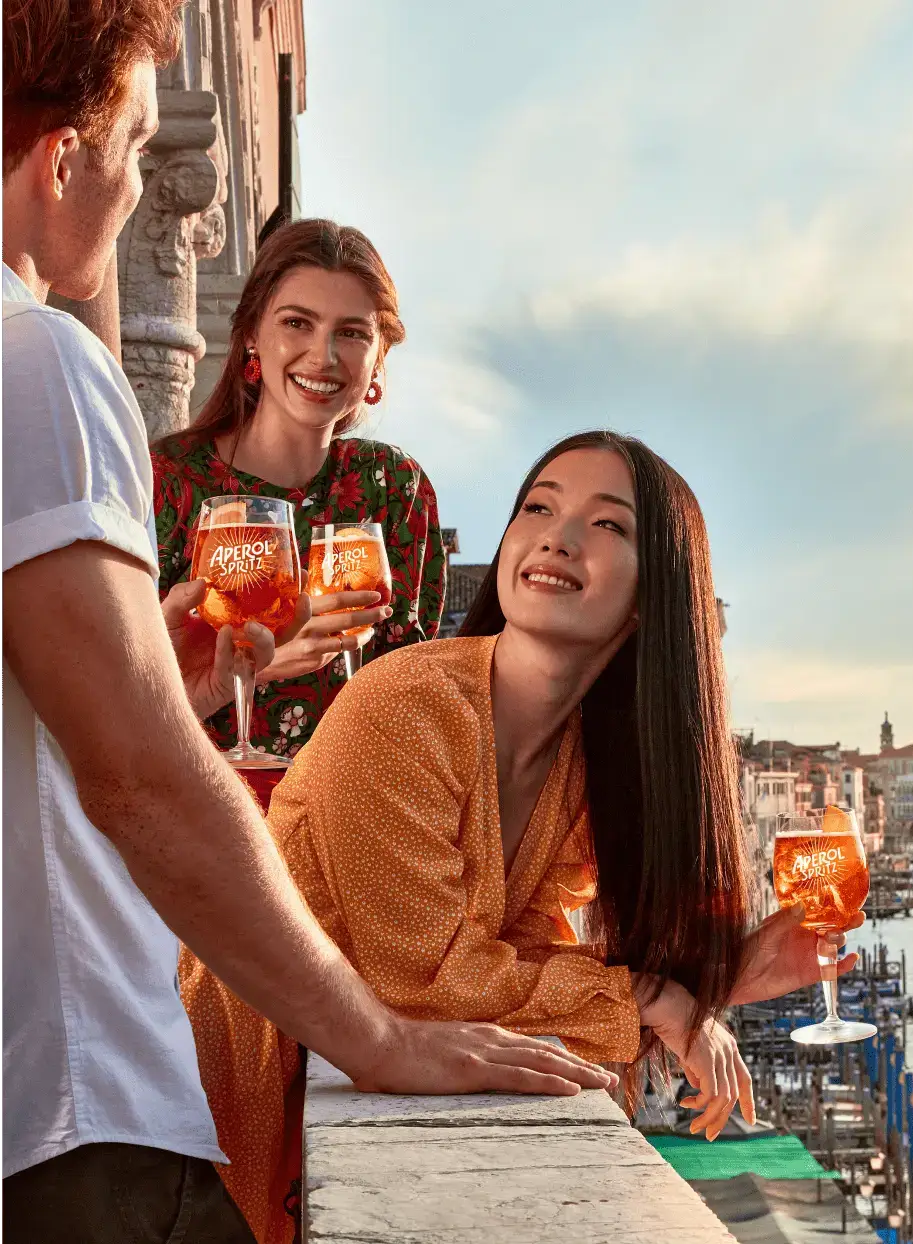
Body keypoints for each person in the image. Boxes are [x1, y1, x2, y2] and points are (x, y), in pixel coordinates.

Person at [0, 6, 615, 1241]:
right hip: (80, 1082)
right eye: (128, 145)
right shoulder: (39, 367)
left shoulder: (391, 488)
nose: (128, 195)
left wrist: (154, 671)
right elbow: (141, 780)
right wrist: (378, 1033)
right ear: (64, 158)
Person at [181, 431, 862, 1243]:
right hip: (224, 1108)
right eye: (538, 507)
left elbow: (518, 952)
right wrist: (653, 1000)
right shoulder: (406, 702)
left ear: (655, 594)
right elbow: (425, 977)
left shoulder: (579, 767)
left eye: (607, 525)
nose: (557, 536)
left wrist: (726, 979)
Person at [152, 218, 445, 773]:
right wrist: (256, 666)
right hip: (198, 812)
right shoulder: (165, 483)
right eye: (297, 323)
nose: (323, 355)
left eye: (352, 332)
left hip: (352, 815)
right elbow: (108, 704)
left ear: (379, 358)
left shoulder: (394, 487)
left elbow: (417, 691)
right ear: (251, 337)